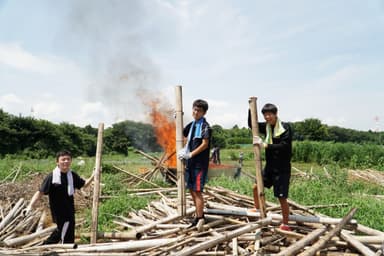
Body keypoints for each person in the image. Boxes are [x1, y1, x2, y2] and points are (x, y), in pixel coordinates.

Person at [27, 150, 94, 244]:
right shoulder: (52, 176)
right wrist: (30, 205)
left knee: (69, 230)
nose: (66, 161)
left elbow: (84, 184)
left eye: (68, 159)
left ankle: (67, 247)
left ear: (71, 161)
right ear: (57, 162)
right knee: (61, 229)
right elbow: (40, 192)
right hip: (58, 210)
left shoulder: (72, 175)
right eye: (63, 159)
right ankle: (46, 246)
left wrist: (93, 175)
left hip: (69, 209)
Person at [248, 103, 292, 231]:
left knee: (281, 197)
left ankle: (285, 223)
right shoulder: (267, 127)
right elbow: (252, 124)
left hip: (282, 168)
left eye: (270, 114)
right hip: (270, 166)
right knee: (256, 187)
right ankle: (257, 208)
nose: (267, 117)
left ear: (275, 114)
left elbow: (285, 146)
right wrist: (250, 107)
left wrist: (266, 145)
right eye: (265, 115)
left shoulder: (285, 128)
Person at [178, 99, 211, 227]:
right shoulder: (192, 125)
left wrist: (191, 154)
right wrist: (178, 119)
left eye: (199, 110)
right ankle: (198, 215)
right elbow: (183, 132)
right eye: (194, 109)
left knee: (197, 191)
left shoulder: (205, 126)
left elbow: (205, 144)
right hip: (190, 163)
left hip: (199, 164)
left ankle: (200, 217)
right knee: (191, 189)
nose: (196, 112)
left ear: (204, 113)